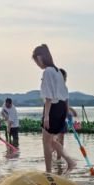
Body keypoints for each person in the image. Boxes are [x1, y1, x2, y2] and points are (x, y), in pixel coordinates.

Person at [32, 44, 76, 174]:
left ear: (40, 58)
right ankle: (70, 161)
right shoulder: (57, 71)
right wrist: (66, 111)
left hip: (53, 108)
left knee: (46, 142)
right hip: (61, 107)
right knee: (51, 140)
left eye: (36, 61)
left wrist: (46, 116)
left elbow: (48, 97)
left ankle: (48, 172)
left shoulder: (47, 72)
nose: (37, 64)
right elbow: (65, 95)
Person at [57, 69, 79, 160]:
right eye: (65, 77)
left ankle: (58, 157)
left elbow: (66, 103)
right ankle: (57, 157)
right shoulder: (58, 87)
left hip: (62, 116)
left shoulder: (64, 88)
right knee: (58, 140)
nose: (66, 79)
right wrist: (69, 112)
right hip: (58, 116)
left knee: (59, 139)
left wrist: (70, 112)